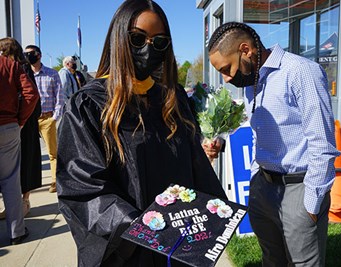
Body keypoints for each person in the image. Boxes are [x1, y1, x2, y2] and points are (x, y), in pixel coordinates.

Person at [56, 1, 226, 266]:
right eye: (137, 39)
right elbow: (84, 187)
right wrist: (145, 228)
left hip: (180, 243)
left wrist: (212, 210)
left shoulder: (172, 98)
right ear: (119, 38)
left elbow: (192, 165)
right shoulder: (90, 105)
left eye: (158, 42)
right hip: (130, 247)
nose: (148, 49)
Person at [208, 22, 340, 266]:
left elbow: (323, 145)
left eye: (227, 69)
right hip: (263, 188)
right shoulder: (253, 80)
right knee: (271, 260)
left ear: (246, 50)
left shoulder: (301, 71)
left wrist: (310, 207)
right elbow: (258, 128)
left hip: (299, 189)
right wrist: (224, 143)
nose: (226, 78)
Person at [0, 51, 39, 244]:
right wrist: (20, 121)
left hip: (9, 123)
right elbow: (31, 94)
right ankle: (16, 231)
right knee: (10, 181)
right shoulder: (9, 65)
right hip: (7, 126)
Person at [24, 45, 64, 193]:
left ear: (39, 55)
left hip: (47, 118)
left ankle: (54, 180)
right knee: (30, 153)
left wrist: (55, 117)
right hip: (30, 120)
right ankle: (30, 183)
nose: (28, 56)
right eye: (25, 54)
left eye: (30, 54)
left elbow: (59, 96)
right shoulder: (25, 74)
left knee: (52, 152)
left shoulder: (52, 74)